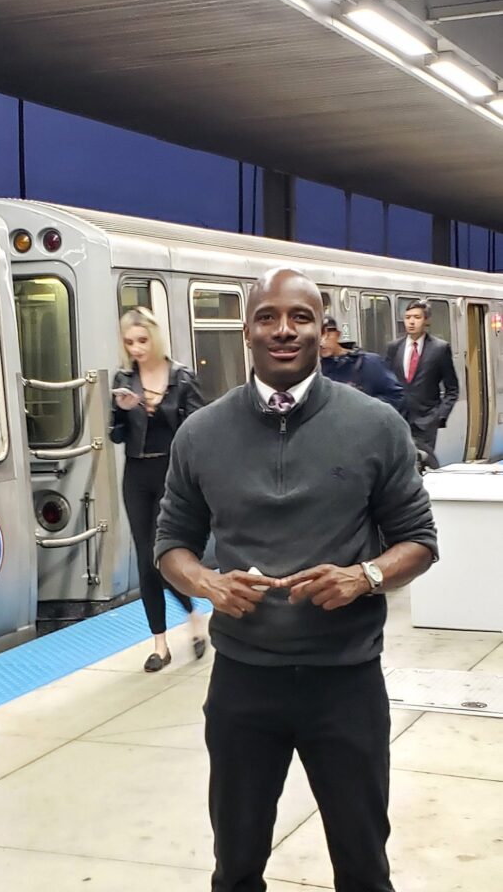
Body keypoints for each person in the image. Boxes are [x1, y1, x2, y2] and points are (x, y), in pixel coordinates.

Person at [155, 268, 437, 892]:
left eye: (300, 317)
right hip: (243, 685)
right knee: (236, 867)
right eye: (269, 317)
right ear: (247, 328)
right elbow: (170, 543)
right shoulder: (201, 433)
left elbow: (420, 541)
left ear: (321, 328)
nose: (284, 330)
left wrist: (364, 576)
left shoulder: (375, 425)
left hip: (346, 682)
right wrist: (206, 582)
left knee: (364, 868)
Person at [110, 306, 207, 672]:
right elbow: (116, 434)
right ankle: (160, 643)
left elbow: (196, 429)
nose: (136, 349)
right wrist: (121, 412)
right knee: (144, 559)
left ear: (155, 337)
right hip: (135, 474)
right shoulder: (123, 378)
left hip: (170, 472)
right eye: (129, 342)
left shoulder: (181, 377)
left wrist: (154, 410)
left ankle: (194, 616)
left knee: (162, 555)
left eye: (142, 340)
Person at [385, 299, 459, 468]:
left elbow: (452, 389)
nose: (411, 321)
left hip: (426, 422)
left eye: (417, 317)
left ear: (426, 320)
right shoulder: (394, 347)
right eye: (408, 317)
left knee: (422, 466)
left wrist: (439, 416)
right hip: (398, 420)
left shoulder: (440, 349)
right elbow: (386, 382)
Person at [321, 316, 403, 411]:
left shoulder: (368, 363)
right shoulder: (313, 370)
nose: (322, 342)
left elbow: (396, 395)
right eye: (317, 337)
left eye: (327, 335)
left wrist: (365, 407)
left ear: (338, 335)